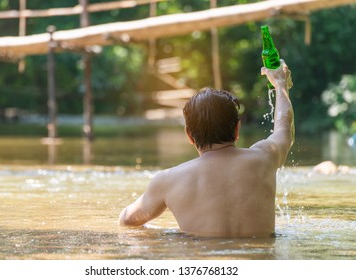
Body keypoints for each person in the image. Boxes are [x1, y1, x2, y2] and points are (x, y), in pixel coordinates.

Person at [119, 59, 294, 238]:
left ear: (189, 135)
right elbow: (283, 125)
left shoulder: (167, 180)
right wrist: (280, 83)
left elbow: (127, 220)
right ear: (237, 129)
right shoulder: (265, 156)